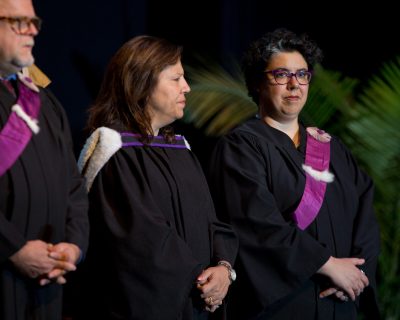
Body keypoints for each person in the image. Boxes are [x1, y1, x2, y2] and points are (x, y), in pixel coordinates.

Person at [208, 28, 380, 320]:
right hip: (285, 304)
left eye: (302, 75)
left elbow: (365, 210)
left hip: (342, 302)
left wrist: (356, 272)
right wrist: (327, 265)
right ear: (258, 83)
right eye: (281, 75)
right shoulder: (241, 147)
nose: (294, 84)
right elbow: (256, 223)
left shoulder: (331, 147)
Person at [77, 35, 238, 320]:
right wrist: (202, 283)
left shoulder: (180, 149)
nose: (187, 88)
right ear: (142, 82)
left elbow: (211, 221)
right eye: (176, 78)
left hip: (199, 303)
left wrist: (224, 269)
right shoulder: (114, 148)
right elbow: (140, 239)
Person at [0, 0, 89, 319]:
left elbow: (74, 188)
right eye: (18, 21)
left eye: (33, 21)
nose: (33, 30)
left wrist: (73, 248)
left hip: (48, 284)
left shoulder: (46, 104)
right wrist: (14, 249)